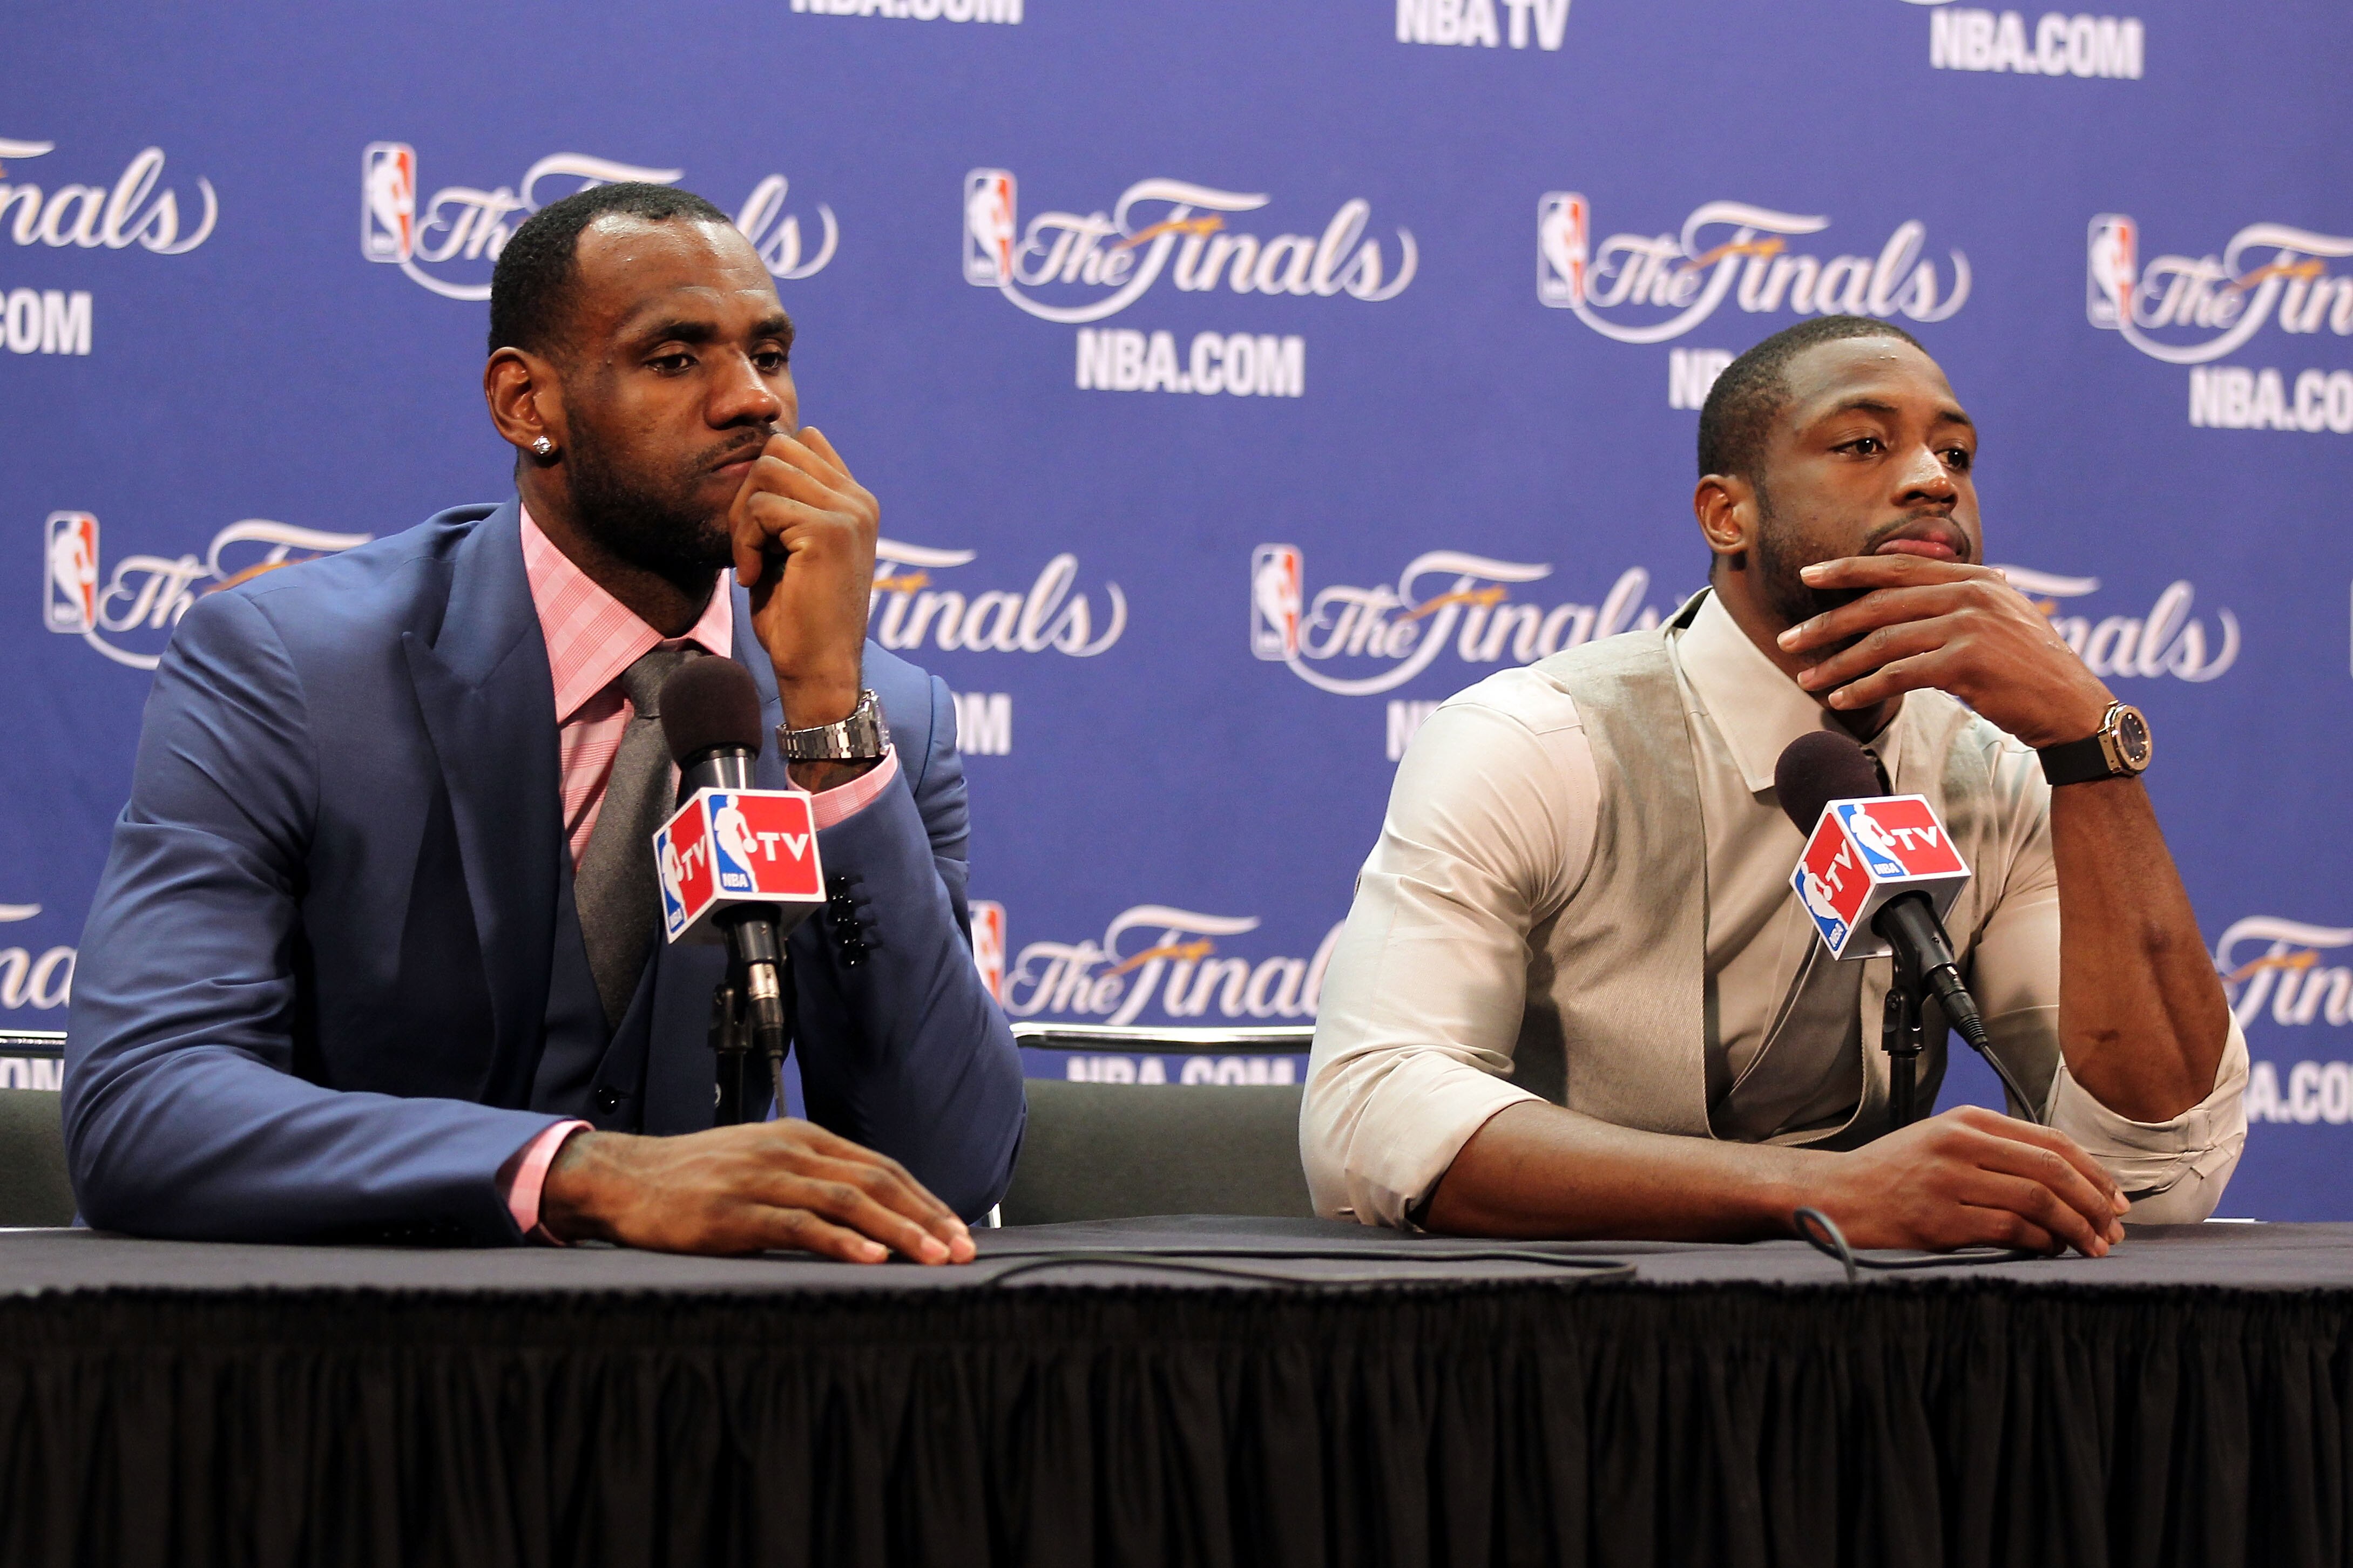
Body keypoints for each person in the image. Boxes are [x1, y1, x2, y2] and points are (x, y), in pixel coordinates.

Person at [65, 184, 1026, 1260]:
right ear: (526, 404)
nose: (753, 400)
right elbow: (141, 1103)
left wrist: (828, 724)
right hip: (352, 1333)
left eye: (769, 354)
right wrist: (582, 1174)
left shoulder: (875, 717)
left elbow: (946, 1167)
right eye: (676, 358)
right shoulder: (292, 667)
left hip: (707, 1356)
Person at [1302, 315, 2247, 1254]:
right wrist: (1818, 1192)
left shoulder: (1998, 775)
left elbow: (2155, 1173)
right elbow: (1371, 1116)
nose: (1933, 480)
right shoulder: (1537, 741)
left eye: (1955, 454)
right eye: (1864, 444)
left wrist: (2087, 748)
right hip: (1553, 1316)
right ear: (1728, 515)